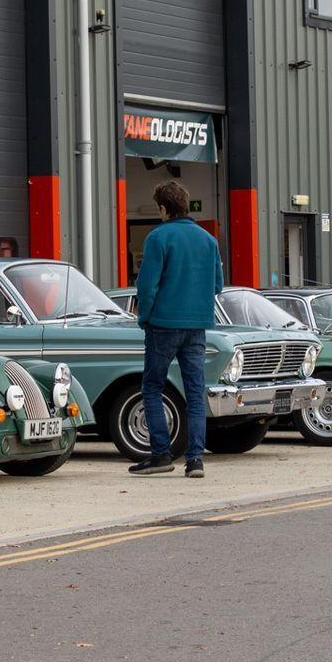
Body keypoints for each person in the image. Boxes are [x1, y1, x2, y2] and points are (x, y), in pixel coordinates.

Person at [131, 180, 223, 478]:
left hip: (163, 325)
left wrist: (145, 316)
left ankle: (160, 454)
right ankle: (195, 460)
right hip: (197, 326)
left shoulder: (158, 237)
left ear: (163, 208)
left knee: (152, 387)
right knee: (195, 392)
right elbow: (218, 286)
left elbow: (147, 286)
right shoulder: (208, 240)